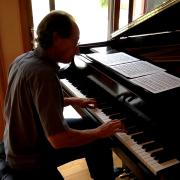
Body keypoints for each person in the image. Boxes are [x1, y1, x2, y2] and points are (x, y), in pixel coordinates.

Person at [3, 10, 125, 180]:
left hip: (17, 144)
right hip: (31, 158)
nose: (77, 49)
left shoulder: (23, 59)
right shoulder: (44, 73)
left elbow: (36, 102)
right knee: (99, 139)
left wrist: (73, 100)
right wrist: (99, 132)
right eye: (75, 41)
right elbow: (58, 140)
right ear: (57, 38)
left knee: (90, 124)